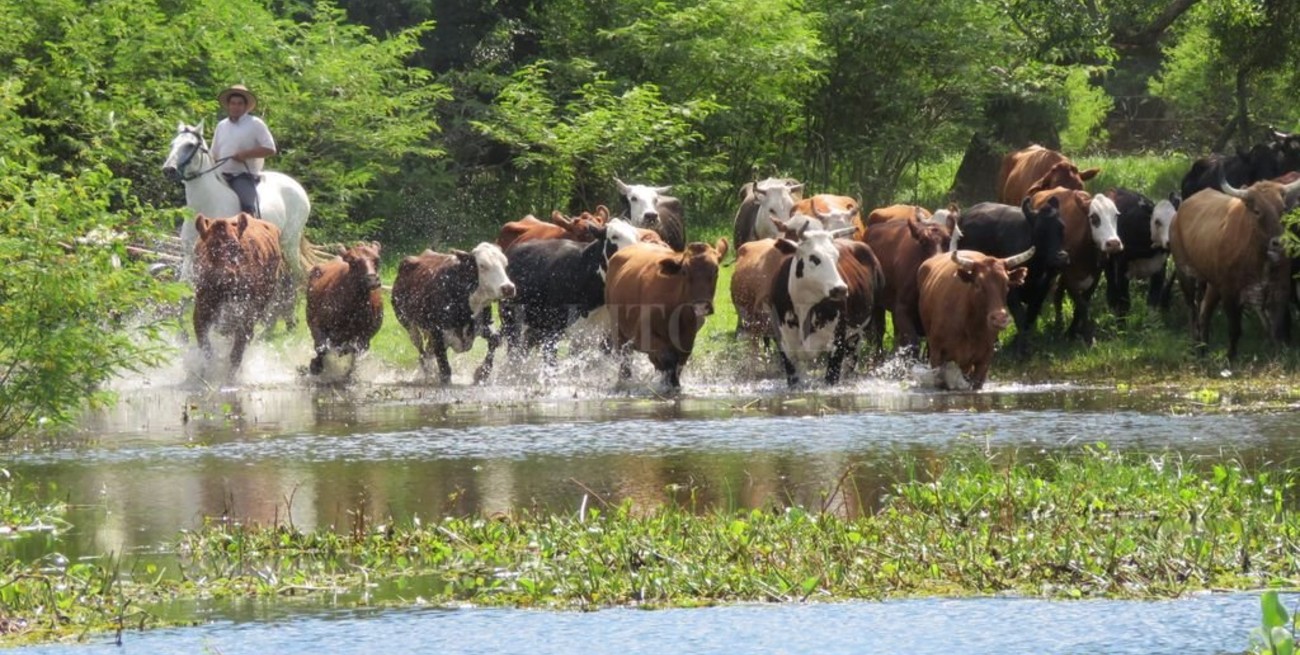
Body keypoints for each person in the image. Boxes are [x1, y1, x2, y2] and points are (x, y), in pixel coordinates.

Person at [210, 84, 277, 217]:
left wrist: (245, 154)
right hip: (220, 174)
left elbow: (270, 149)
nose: (236, 107)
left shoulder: (255, 123)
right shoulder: (221, 125)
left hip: (242, 175)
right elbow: (214, 154)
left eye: (240, 104)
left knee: (247, 205)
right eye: (233, 103)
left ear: (245, 106)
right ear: (228, 105)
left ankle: (249, 231)